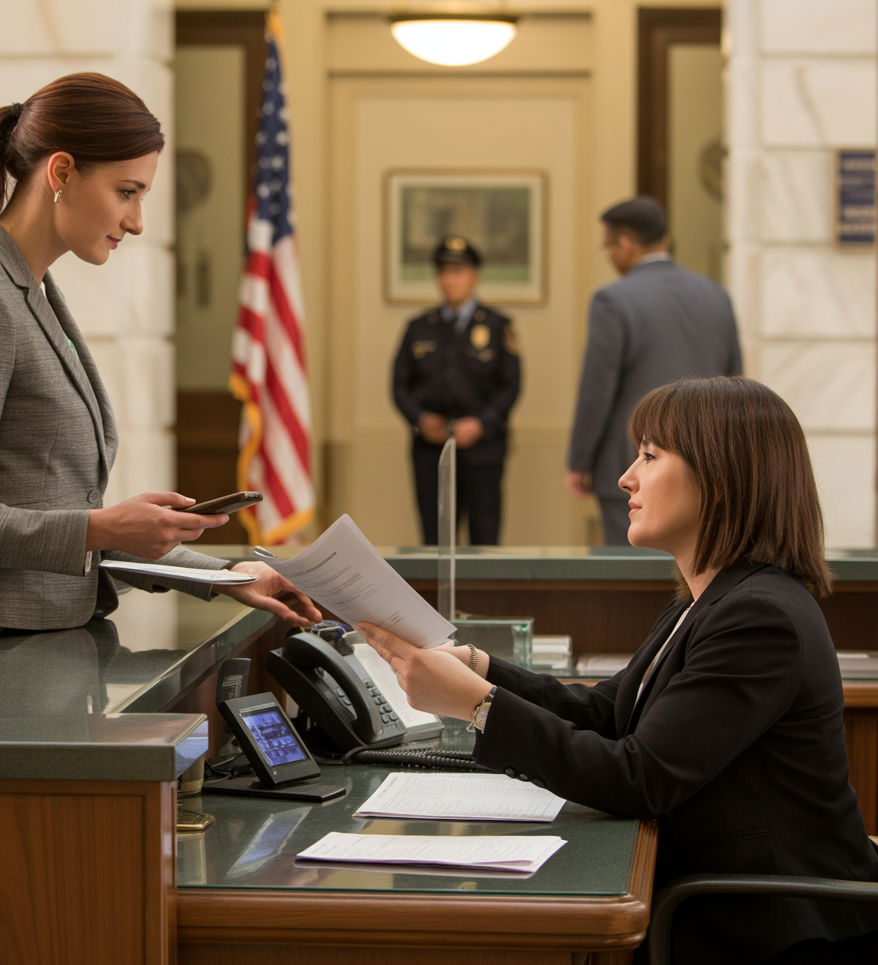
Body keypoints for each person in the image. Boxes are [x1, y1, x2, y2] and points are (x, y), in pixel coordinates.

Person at [361, 376, 878, 964]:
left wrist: (477, 705)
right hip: (716, 903)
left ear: (720, 480)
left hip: (771, 927)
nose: (625, 478)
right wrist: (480, 667)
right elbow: (611, 713)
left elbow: (639, 777)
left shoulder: (760, 618)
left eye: (650, 456)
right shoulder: (705, 600)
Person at [0, 73, 320, 694]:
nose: (136, 221)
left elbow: (47, 503)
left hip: (22, 659)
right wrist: (102, 527)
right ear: (61, 172)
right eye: (126, 192)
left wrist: (229, 575)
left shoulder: (28, 287)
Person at [566, 196, 741, 545]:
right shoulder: (716, 295)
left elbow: (598, 389)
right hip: (706, 465)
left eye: (607, 246)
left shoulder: (613, 299)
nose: (609, 255)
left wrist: (580, 461)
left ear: (624, 243)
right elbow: (734, 382)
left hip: (632, 460)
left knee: (633, 569)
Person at [392, 236, 521, 545]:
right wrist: (421, 419)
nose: (449, 280)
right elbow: (399, 385)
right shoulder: (418, 327)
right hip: (431, 451)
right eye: (444, 272)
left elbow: (511, 385)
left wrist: (480, 423)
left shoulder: (497, 326)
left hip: (483, 450)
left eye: (458, 271)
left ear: (474, 275)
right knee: (434, 540)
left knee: (484, 540)